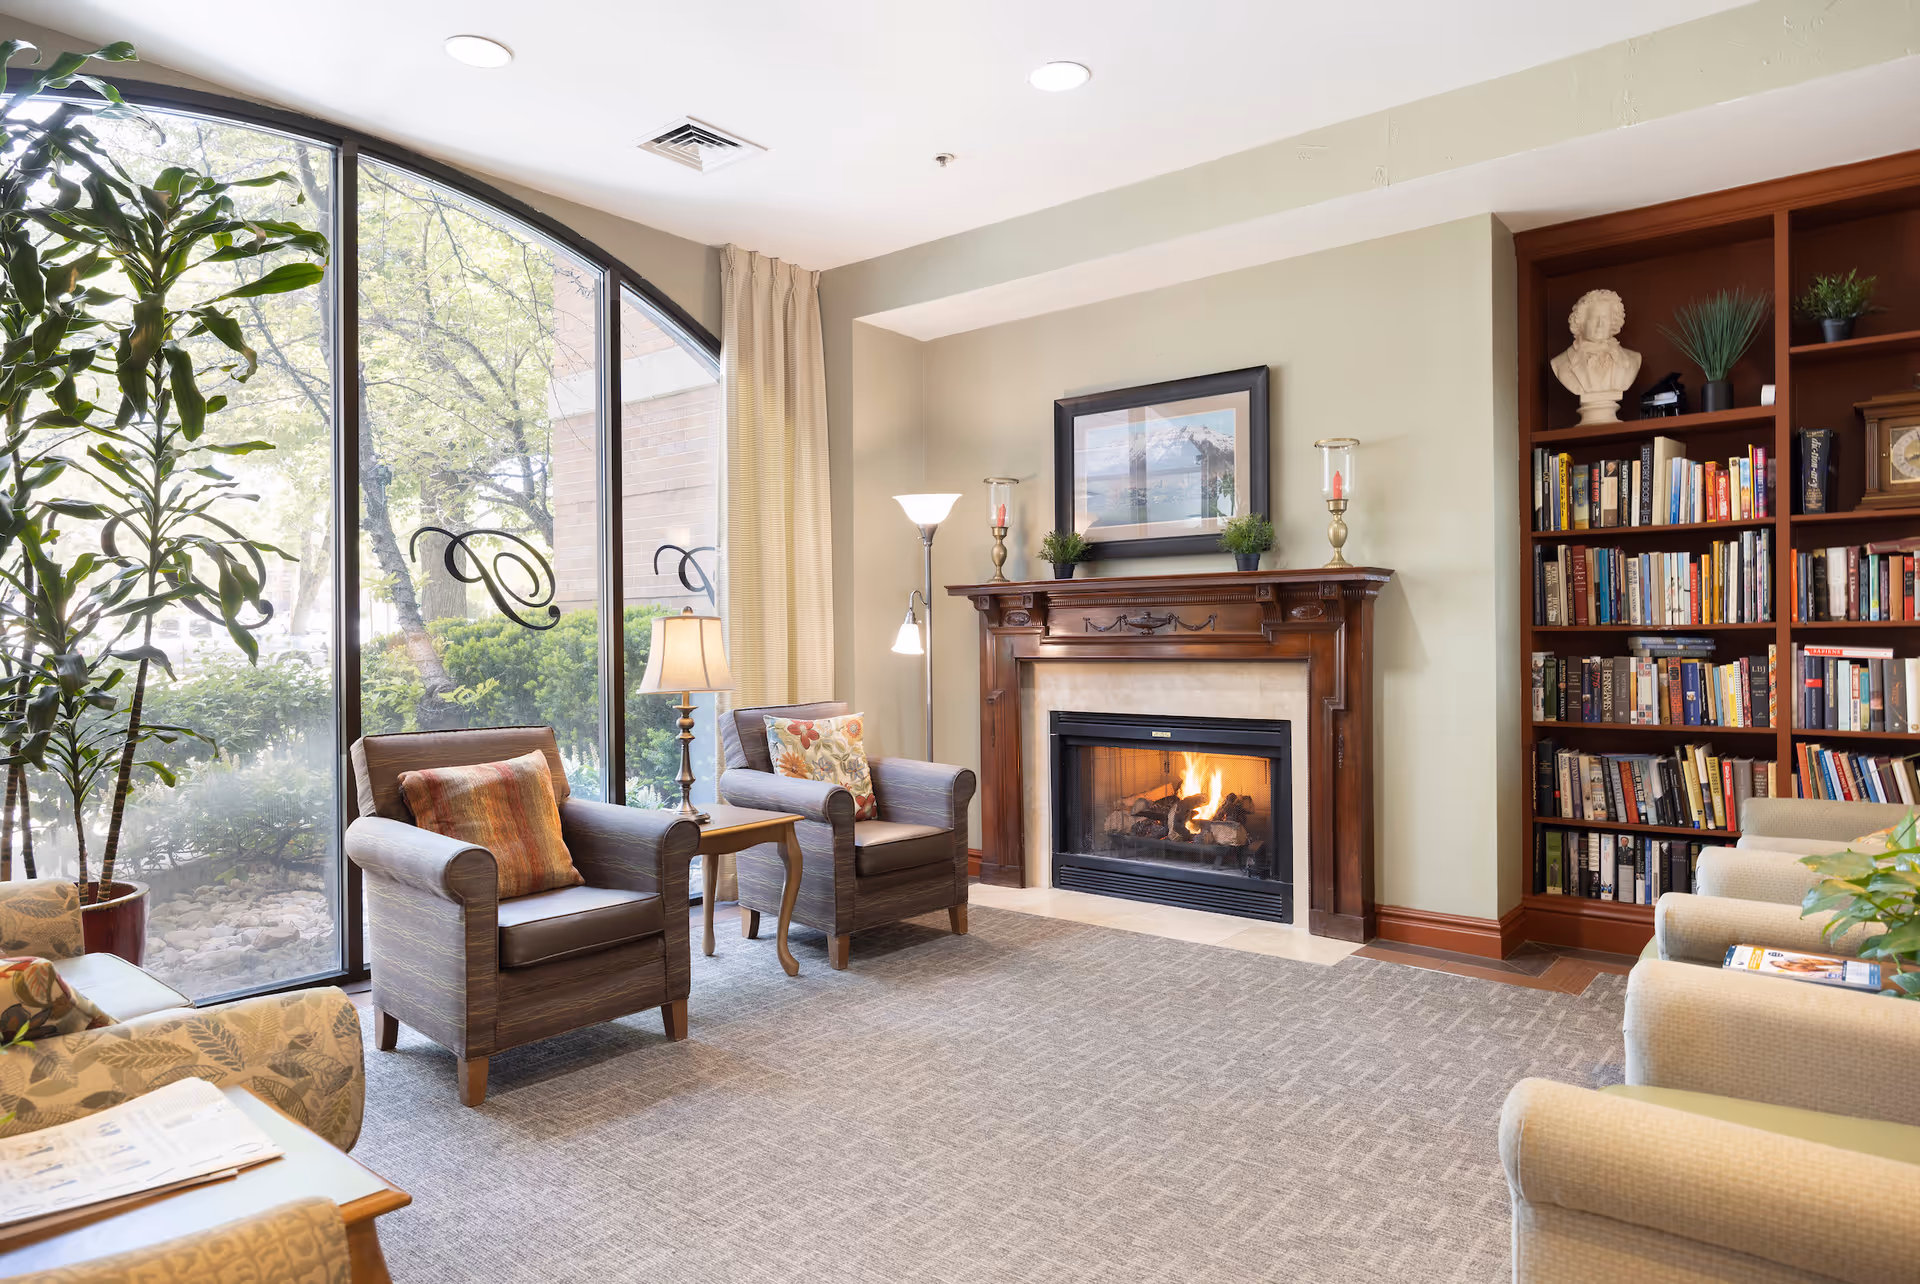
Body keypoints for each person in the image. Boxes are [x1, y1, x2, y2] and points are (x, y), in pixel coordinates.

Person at [1550, 288, 1641, 425]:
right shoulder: (1561, 364)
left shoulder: (1632, 360)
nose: (1600, 325)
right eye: (1594, 319)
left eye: (1605, 318)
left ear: (1613, 321)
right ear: (1581, 322)